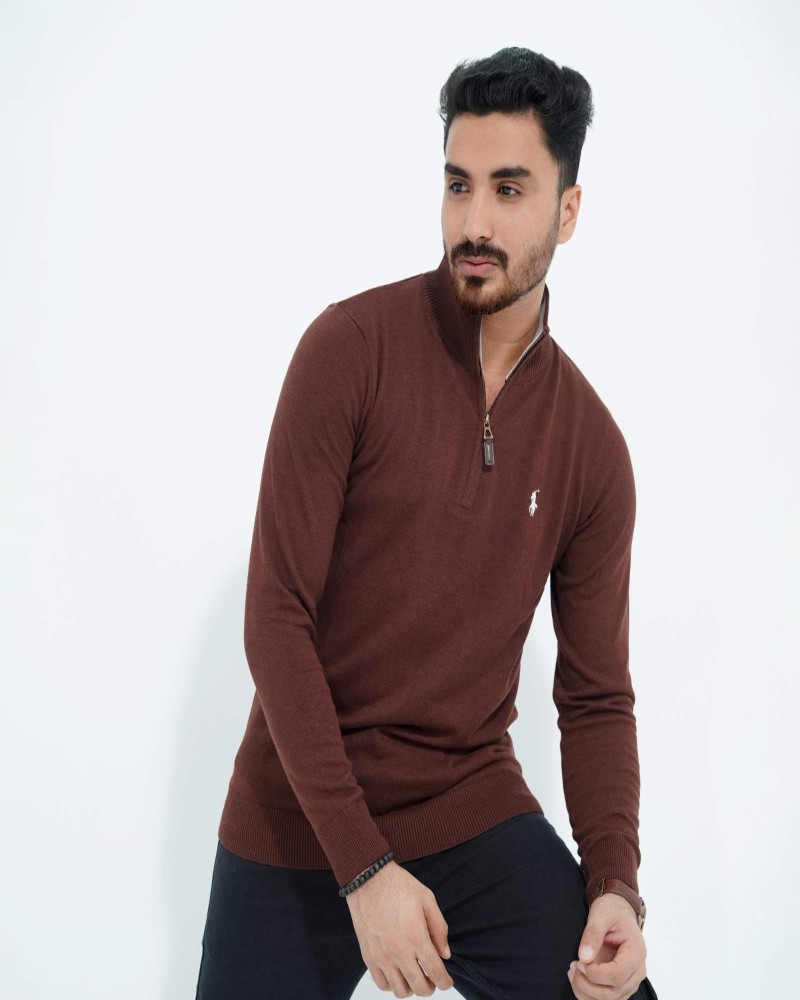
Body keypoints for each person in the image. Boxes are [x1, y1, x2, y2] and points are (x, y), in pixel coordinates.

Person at [195, 45, 658, 1000]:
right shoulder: (348, 351)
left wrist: (615, 882)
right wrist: (365, 871)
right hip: (299, 814)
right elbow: (275, 617)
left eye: (509, 189)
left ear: (569, 211)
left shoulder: (591, 450)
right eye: (458, 185)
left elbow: (595, 697)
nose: (474, 222)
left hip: (466, 806)